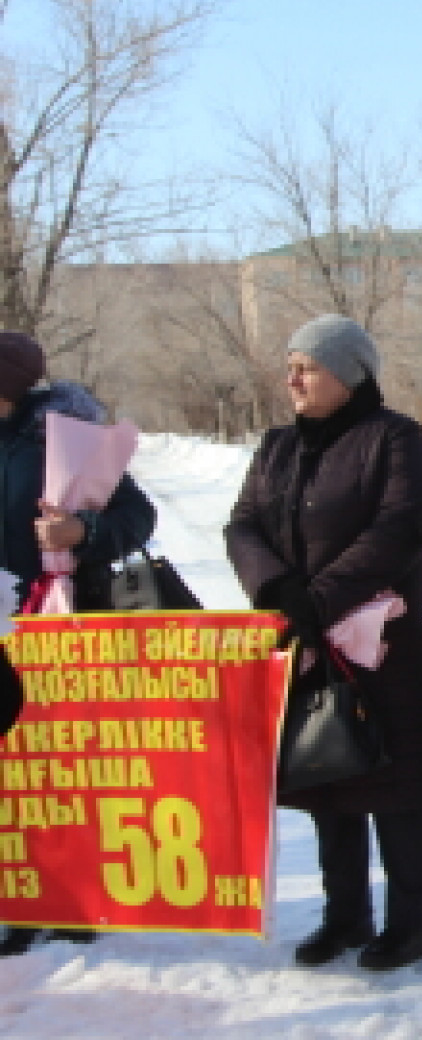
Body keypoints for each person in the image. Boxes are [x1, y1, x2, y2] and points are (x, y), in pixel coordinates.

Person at [225, 315, 422, 971]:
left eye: (309, 366)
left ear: (349, 374)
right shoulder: (275, 448)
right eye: (290, 364)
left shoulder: (394, 438)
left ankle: (412, 923)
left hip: (387, 643)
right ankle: (345, 915)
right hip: (306, 641)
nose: (293, 378)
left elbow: (396, 530)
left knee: (397, 785)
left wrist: (318, 598)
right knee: (327, 774)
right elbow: (242, 525)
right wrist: (274, 588)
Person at [0, 332, 157, 957]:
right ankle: (17, 898)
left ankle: (72, 898)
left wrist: (80, 530)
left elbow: (137, 517)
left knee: (62, 767)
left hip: (60, 625)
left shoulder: (61, 440)